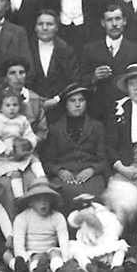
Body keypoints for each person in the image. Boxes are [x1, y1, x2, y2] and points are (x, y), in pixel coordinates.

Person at [42, 84, 108, 213]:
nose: (77, 104)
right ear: (65, 104)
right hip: (66, 176)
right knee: (65, 196)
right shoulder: (55, 128)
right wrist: (60, 171)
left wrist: (92, 170)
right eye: (72, 101)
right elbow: (48, 161)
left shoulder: (97, 126)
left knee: (95, 200)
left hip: (91, 176)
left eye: (81, 100)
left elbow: (103, 159)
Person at [80, 1, 137, 120]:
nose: (114, 24)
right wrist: (94, 77)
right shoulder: (90, 49)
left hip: (127, 111)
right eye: (109, 20)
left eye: (118, 19)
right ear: (103, 23)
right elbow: (80, 80)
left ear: (124, 21)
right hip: (98, 112)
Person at [0, 87, 45, 202]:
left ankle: (42, 180)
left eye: (15, 105)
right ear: (0, 107)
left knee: (35, 159)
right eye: (7, 105)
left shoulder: (22, 119)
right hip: (4, 157)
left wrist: (29, 144)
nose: (12, 108)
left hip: (20, 151)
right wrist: (3, 149)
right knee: (15, 173)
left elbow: (29, 134)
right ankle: (19, 197)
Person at [12, 181, 76, 272]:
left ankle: (59, 271)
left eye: (46, 200)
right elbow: (18, 243)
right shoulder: (22, 218)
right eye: (38, 200)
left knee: (55, 254)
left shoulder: (57, 217)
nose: (43, 203)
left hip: (50, 249)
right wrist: (23, 260)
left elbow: (63, 240)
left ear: (51, 201)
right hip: (32, 252)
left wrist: (66, 259)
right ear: (30, 202)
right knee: (36, 258)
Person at [28, 10, 79, 119]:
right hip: (30, 108)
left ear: (56, 27)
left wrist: (56, 99)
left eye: (49, 24)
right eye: (40, 24)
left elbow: (73, 80)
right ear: (35, 27)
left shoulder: (66, 50)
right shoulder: (26, 48)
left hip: (59, 108)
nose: (45, 28)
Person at [67, 194, 128, 272]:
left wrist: (96, 224)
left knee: (121, 246)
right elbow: (73, 221)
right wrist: (85, 216)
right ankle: (89, 267)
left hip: (105, 245)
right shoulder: (76, 216)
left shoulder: (105, 214)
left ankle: (116, 267)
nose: (86, 210)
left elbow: (113, 232)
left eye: (87, 207)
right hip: (87, 248)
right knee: (73, 248)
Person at [0, 58, 49, 144]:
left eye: (21, 73)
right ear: (6, 77)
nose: (18, 77)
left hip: (29, 147)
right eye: (12, 73)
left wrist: (30, 143)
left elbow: (42, 131)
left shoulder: (35, 99)